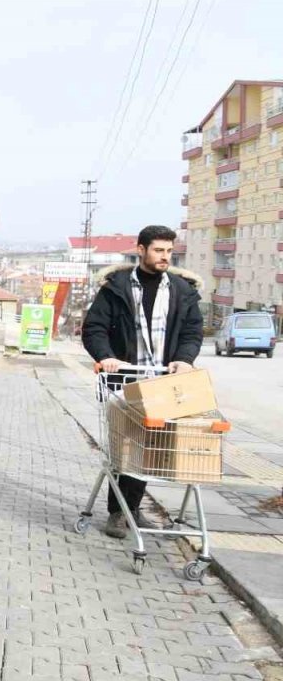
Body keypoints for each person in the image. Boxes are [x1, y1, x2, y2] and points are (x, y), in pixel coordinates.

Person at [81, 224, 204, 539]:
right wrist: (106, 356)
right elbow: (94, 328)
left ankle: (130, 509)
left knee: (148, 450)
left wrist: (185, 359)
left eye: (168, 251)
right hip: (126, 379)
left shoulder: (182, 290)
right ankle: (118, 513)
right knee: (126, 449)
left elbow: (192, 331)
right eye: (158, 250)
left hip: (163, 383)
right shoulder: (117, 288)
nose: (165, 257)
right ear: (141, 249)